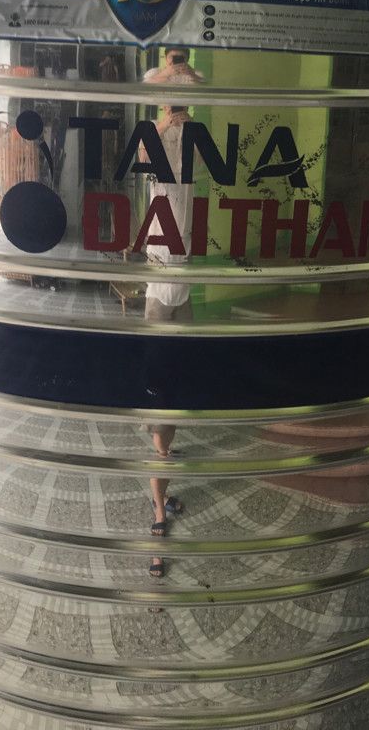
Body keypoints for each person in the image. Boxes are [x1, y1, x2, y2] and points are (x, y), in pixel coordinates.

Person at [142, 49, 203, 577]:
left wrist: (183, 122)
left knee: (178, 397)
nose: (178, 93)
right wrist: (167, 120)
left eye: (182, 84)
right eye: (171, 86)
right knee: (159, 402)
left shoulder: (193, 137)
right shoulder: (155, 136)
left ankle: (164, 489)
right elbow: (147, 157)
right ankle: (158, 509)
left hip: (184, 284)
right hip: (161, 284)